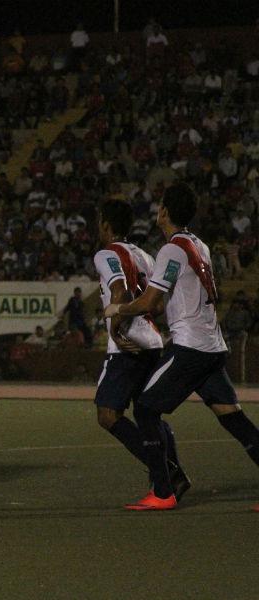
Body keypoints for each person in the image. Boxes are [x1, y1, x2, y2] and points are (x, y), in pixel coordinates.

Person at [105, 184, 259, 510]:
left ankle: (163, 491)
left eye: (160, 205)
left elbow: (150, 301)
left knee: (145, 409)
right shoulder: (199, 245)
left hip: (192, 347)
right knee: (232, 417)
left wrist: (117, 309)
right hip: (212, 344)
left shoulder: (172, 250)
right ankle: (165, 487)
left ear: (164, 212)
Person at [94, 200, 190, 499]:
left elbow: (120, 291)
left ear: (106, 225)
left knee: (108, 414)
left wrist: (115, 327)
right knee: (149, 416)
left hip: (128, 344)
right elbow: (157, 305)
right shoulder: (145, 256)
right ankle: (172, 475)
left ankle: (167, 472)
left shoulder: (107, 253)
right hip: (152, 341)